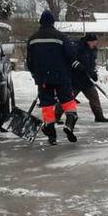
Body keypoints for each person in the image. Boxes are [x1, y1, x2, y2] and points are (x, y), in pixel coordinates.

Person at [26, 10, 80, 145]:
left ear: (40, 22)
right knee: (67, 100)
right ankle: (70, 122)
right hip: (61, 75)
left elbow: (30, 61)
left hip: (43, 78)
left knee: (47, 104)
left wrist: (35, 75)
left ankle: (51, 133)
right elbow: (71, 54)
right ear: (53, 22)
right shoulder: (61, 37)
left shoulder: (32, 39)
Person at [66, 33, 108, 123]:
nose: (95, 44)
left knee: (94, 97)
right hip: (76, 79)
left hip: (87, 80)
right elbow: (71, 60)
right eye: (94, 42)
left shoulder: (93, 50)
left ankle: (99, 116)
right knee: (68, 99)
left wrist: (93, 73)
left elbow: (92, 63)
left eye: (96, 42)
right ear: (88, 41)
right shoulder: (77, 47)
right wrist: (80, 67)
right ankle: (56, 116)